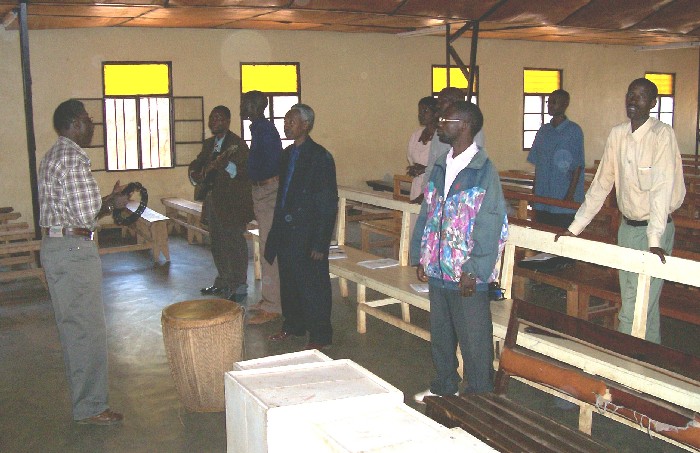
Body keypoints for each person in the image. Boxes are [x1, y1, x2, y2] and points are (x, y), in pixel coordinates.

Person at [555, 78, 686, 344]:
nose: (633, 101)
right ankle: (648, 356)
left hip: (655, 231)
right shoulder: (618, 135)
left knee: (638, 305)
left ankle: (624, 356)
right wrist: (575, 228)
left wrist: (654, 240)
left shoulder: (661, 135)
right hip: (628, 229)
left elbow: (661, 189)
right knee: (635, 300)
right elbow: (601, 184)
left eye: (640, 96)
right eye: (630, 95)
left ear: (653, 103)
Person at [39, 99, 130, 425]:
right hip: (74, 250)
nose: (92, 125)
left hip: (57, 246)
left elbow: (73, 207)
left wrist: (108, 200)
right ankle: (91, 407)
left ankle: (86, 402)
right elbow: (85, 213)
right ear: (75, 123)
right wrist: (113, 204)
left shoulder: (52, 155)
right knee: (86, 331)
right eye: (88, 119)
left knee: (74, 328)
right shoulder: (73, 157)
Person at [411, 101, 508, 402]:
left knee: (474, 341)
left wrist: (475, 269)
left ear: (464, 126)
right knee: (441, 336)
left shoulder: (483, 170)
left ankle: (480, 398)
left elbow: (492, 223)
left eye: (446, 120)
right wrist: (422, 255)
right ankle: (445, 385)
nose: (439, 123)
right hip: (439, 268)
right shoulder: (441, 164)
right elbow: (428, 211)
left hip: (466, 273)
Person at [264, 104, 338, 350]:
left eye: (291, 121)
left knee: (313, 286)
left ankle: (320, 335)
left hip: (308, 231)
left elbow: (328, 203)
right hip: (286, 230)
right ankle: (293, 325)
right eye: (285, 121)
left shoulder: (320, 157)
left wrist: (320, 242)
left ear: (306, 125)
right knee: (289, 282)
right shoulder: (287, 154)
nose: (286, 125)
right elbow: (283, 195)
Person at [189, 106, 254, 302]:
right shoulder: (209, 144)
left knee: (234, 243)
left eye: (219, 118)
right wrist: (194, 173)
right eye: (212, 118)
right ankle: (223, 281)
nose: (214, 121)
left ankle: (239, 285)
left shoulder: (237, 145)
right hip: (212, 201)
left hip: (233, 202)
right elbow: (198, 163)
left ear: (227, 121)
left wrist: (225, 165)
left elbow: (244, 172)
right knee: (217, 243)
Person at [240, 91, 283, 324]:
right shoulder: (258, 129)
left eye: (244, 104)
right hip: (262, 190)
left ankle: (273, 305)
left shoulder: (265, 130)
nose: (241, 107)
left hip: (268, 192)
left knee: (269, 249)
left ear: (255, 107)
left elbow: (271, 164)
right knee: (267, 246)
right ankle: (269, 299)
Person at [527, 89, 585, 228]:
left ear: (565, 104)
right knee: (541, 234)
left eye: (554, 102)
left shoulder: (574, 131)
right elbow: (538, 164)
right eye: (549, 102)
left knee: (560, 236)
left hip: (563, 198)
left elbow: (578, 166)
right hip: (542, 196)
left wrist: (570, 195)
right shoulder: (543, 131)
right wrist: (534, 191)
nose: (550, 105)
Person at [421, 87, 485, 195]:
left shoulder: (472, 130)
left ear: (454, 103)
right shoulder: (439, 132)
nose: (438, 105)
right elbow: (432, 167)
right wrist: (425, 193)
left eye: (442, 101)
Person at [406, 96, 438, 202]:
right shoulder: (416, 136)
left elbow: (444, 165)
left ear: (435, 113)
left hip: (434, 186)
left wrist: (425, 169)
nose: (421, 114)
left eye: (425, 111)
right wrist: (413, 169)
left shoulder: (441, 137)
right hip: (417, 185)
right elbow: (410, 158)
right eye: (419, 111)